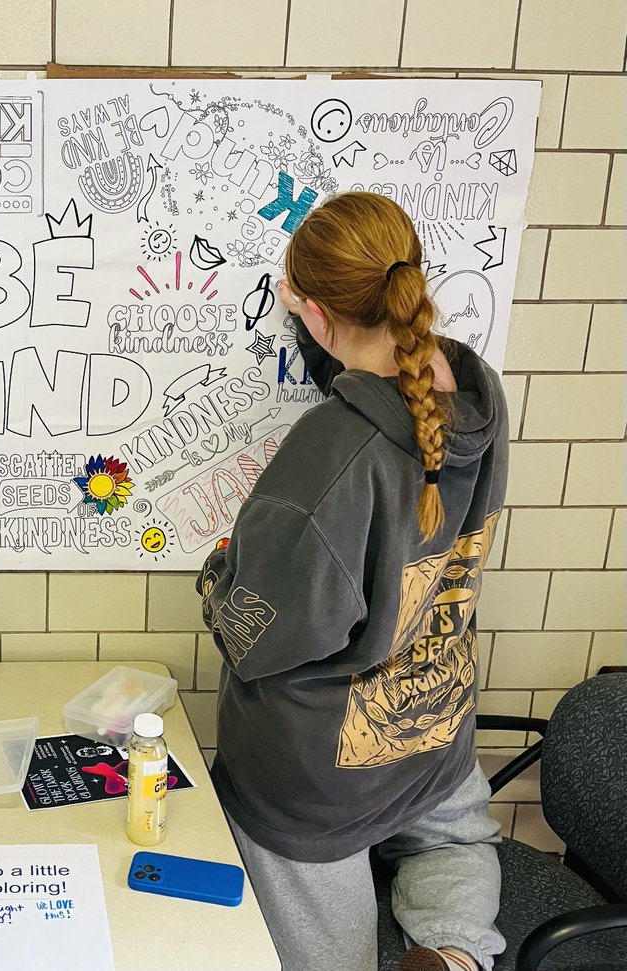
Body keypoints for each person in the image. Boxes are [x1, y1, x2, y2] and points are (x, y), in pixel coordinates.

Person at [198, 192, 508, 971]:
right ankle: (458, 954)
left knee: (322, 936)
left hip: (318, 774)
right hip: (431, 730)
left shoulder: (329, 456)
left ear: (308, 309)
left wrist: (216, 577)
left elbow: (258, 634)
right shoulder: (478, 393)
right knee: (461, 839)